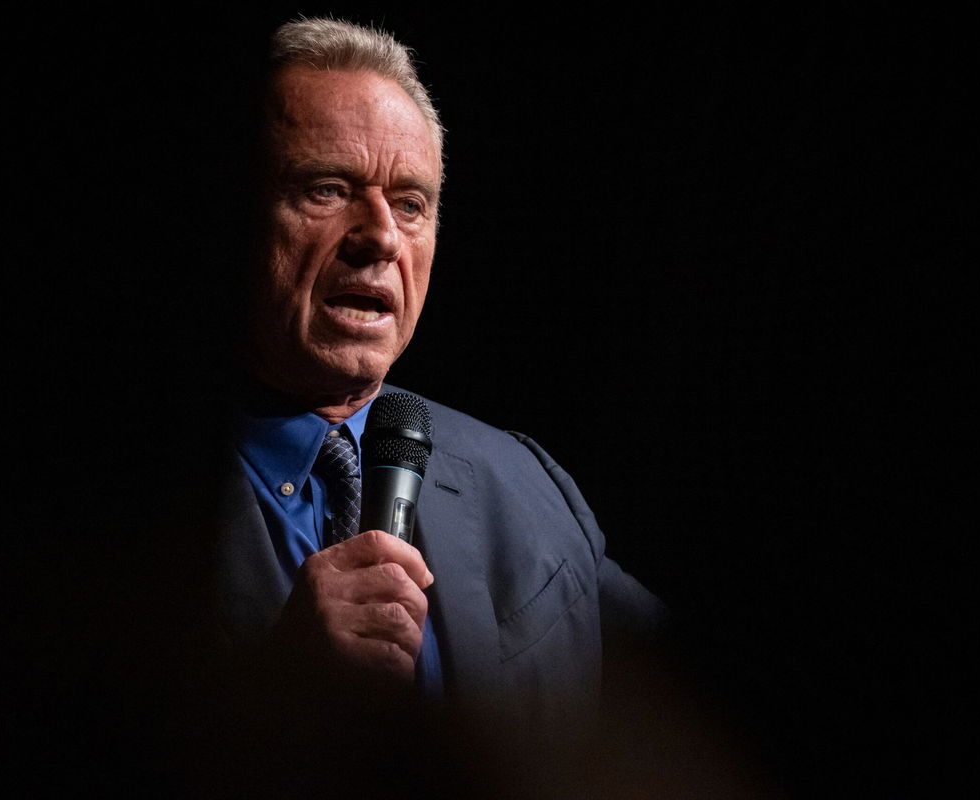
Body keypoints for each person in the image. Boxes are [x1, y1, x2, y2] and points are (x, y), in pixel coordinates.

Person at [203, 16, 668, 794]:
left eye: (411, 204)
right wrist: (274, 700)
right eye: (327, 188)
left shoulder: (525, 482)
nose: (380, 236)